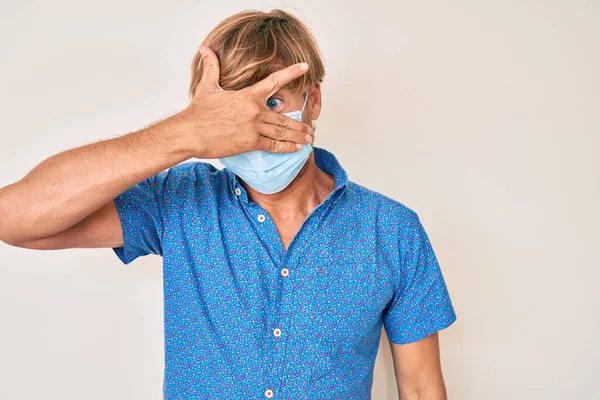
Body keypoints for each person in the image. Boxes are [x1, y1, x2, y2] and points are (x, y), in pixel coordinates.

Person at [0, 8, 457, 400]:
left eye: (272, 101)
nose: (250, 128)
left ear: (312, 100)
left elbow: (420, 389)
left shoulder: (391, 229)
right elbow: (14, 219)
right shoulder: (177, 200)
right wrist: (184, 134)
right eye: (231, 110)